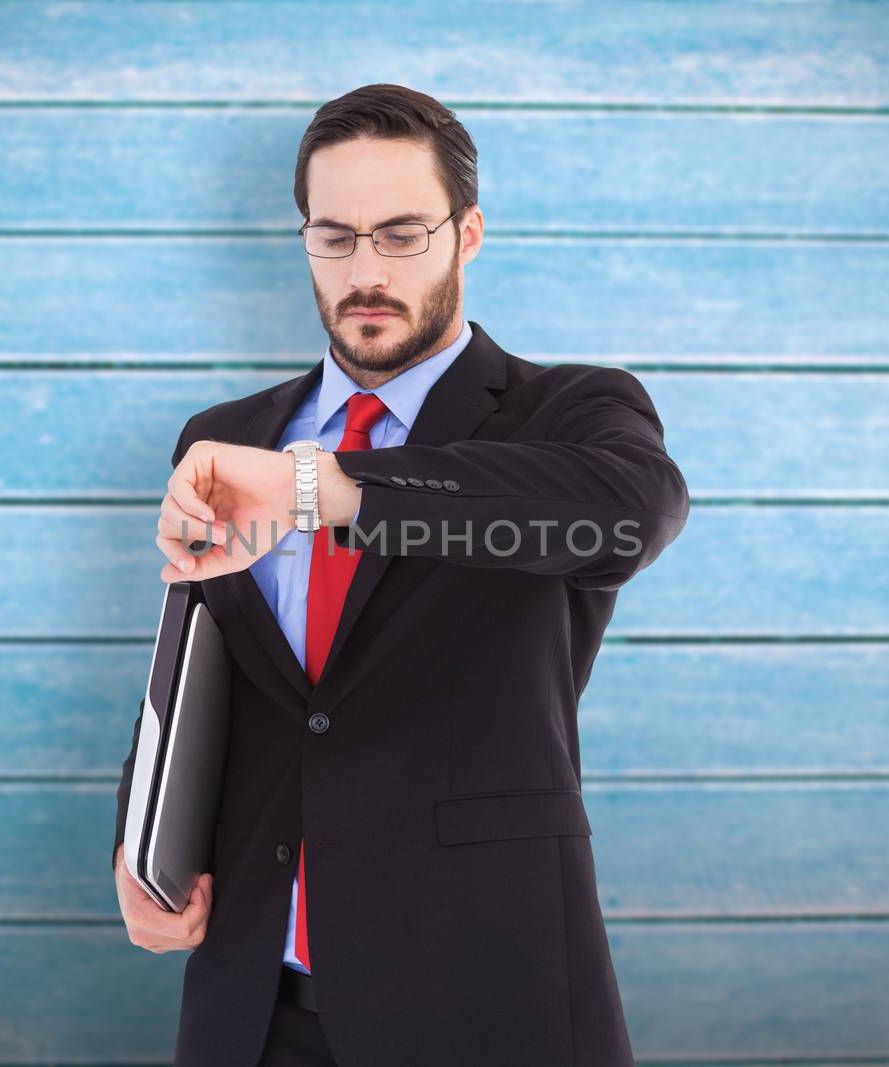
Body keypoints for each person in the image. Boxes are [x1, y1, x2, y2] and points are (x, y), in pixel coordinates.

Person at [112, 83, 689, 1067]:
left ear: (467, 234)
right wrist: (142, 837)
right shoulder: (225, 438)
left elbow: (628, 515)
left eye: (399, 233)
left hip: (482, 995)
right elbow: (198, 667)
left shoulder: (566, 414)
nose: (364, 271)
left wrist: (319, 485)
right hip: (253, 1000)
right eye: (333, 237)